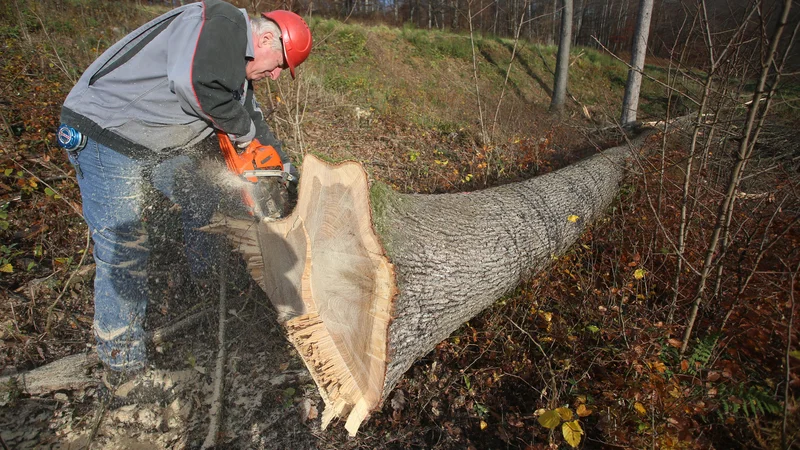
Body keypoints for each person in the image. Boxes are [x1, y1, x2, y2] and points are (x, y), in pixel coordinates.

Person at [57, 0, 312, 381]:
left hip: (152, 144)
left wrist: (285, 172)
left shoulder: (237, 73)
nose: (276, 75)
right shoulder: (222, 22)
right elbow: (195, 82)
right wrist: (241, 136)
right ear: (265, 37)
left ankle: (205, 287)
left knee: (204, 197)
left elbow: (254, 123)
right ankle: (122, 367)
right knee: (124, 245)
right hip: (105, 133)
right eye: (279, 65)